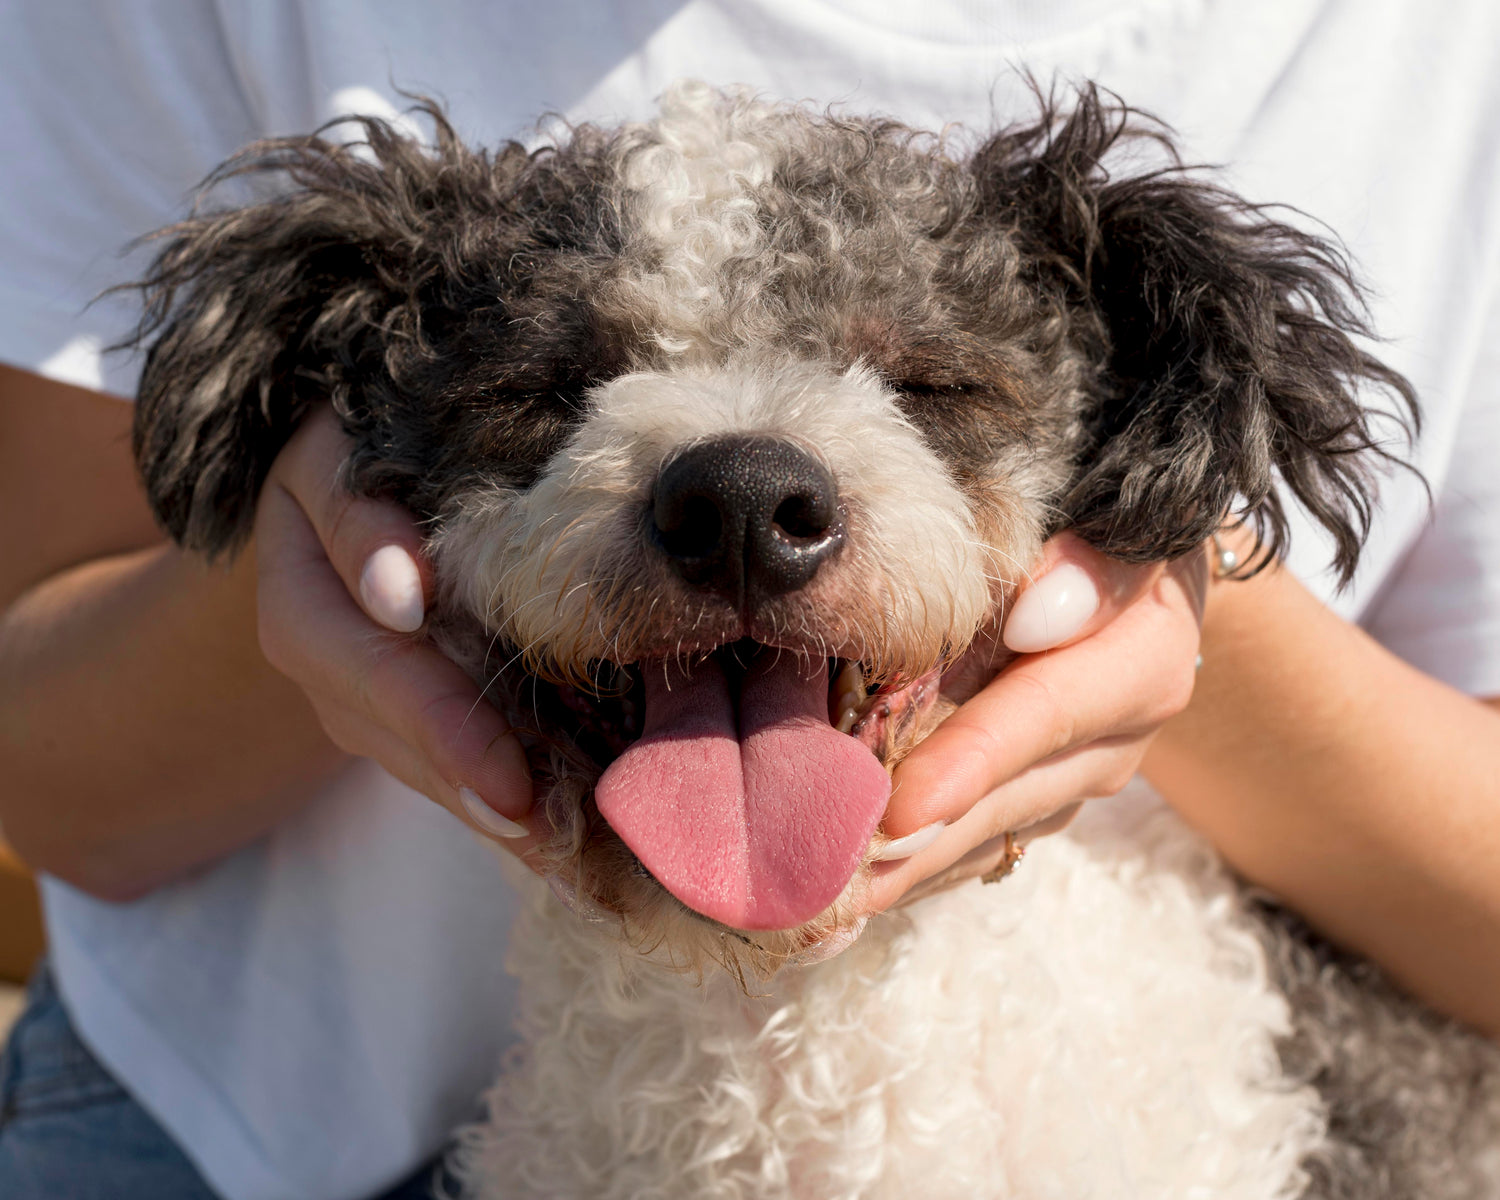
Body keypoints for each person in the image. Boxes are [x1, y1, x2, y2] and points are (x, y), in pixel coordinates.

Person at [1, 2, 1497, 1197]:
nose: (748, 501)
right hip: (230, 1126)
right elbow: (44, 762)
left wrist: (1184, 621)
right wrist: (296, 565)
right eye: (550, 391)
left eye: (926, 391)